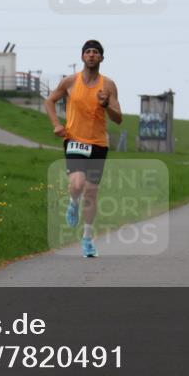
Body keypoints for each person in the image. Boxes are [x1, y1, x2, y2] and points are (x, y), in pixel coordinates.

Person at [44, 40, 122, 257]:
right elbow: (49, 101)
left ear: (101, 59)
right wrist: (57, 124)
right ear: (82, 57)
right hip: (74, 140)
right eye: (87, 52)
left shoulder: (108, 86)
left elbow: (118, 118)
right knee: (77, 184)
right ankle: (73, 202)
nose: (91, 55)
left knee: (92, 191)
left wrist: (107, 105)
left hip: (98, 144)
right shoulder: (70, 81)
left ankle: (87, 238)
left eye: (95, 53)